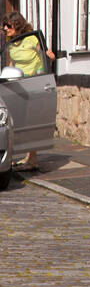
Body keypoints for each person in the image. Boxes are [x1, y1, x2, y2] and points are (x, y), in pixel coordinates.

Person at [2, 11, 46, 172]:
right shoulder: (11, 41)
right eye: (4, 26)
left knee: (29, 121)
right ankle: (13, 157)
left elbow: (47, 55)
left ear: (17, 25)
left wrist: (41, 72)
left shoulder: (32, 39)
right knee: (14, 122)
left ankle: (33, 159)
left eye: (8, 25)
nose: (5, 29)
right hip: (17, 83)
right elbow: (12, 62)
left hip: (32, 83)